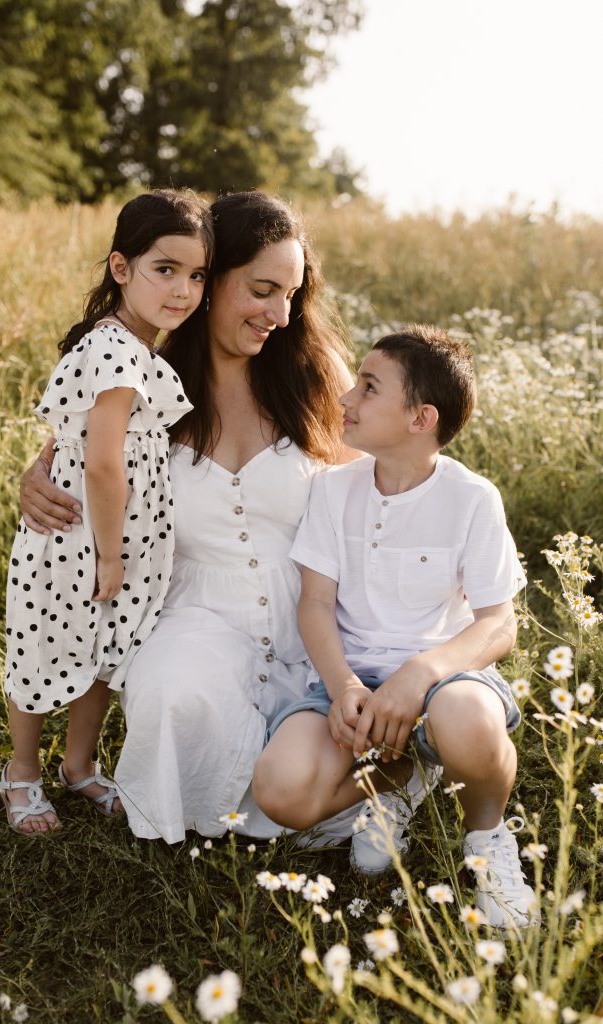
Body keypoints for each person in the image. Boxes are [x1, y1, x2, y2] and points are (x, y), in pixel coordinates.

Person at [19, 190, 357, 843]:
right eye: (260, 290)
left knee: (314, 753)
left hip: (311, 614)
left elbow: (388, 480)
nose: (279, 315)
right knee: (170, 692)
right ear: (207, 279)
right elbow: (72, 457)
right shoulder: (144, 375)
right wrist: (32, 480)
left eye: (290, 294)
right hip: (196, 608)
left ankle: (370, 786)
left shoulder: (313, 374)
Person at [253, 324, 538, 929]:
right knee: (281, 792)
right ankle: (399, 777)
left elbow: (499, 624)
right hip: (347, 680)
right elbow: (314, 604)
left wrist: (421, 673)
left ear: (420, 418)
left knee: (469, 719)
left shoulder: (472, 498)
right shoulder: (333, 490)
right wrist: (345, 687)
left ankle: (488, 841)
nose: (346, 398)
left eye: (369, 387)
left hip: (439, 684)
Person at [0, 190, 213, 834]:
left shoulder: (138, 347)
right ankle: (22, 771)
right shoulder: (117, 349)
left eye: (197, 275)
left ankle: (79, 764)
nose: (182, 290)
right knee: (44, 646)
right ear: (122, 268)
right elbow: (100, 460)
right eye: (165, 269)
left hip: (117, 536)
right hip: (84, 537)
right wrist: (112, 552)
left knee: (104, 649)